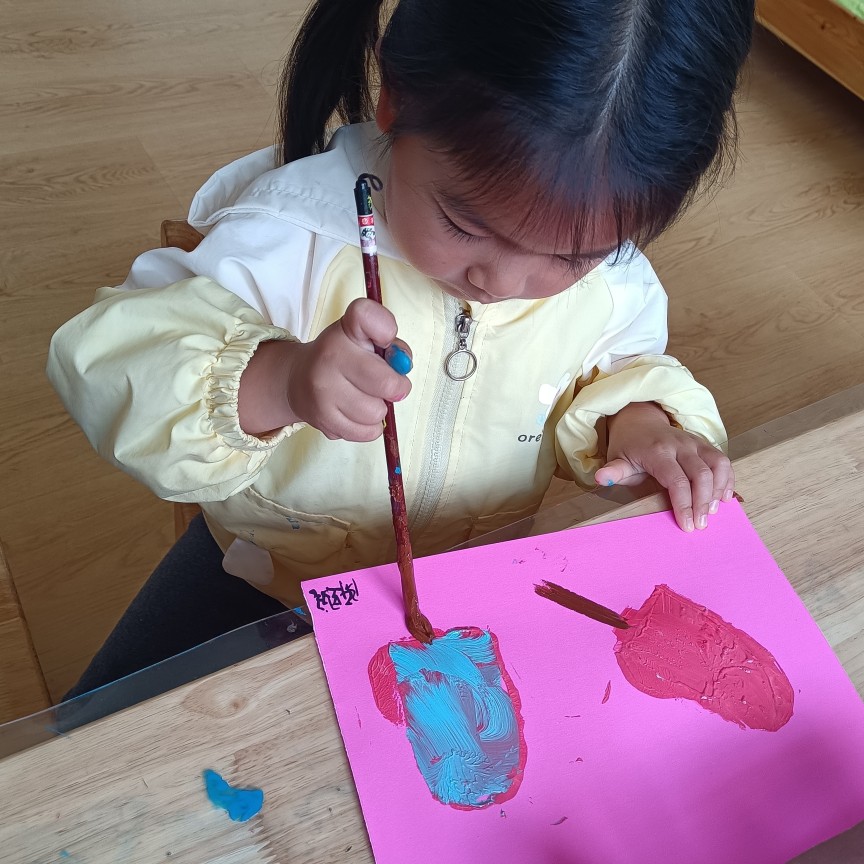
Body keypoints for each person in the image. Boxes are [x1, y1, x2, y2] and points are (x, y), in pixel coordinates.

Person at [48, 0, 754, 698]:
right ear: (397, 99)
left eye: (572, 259)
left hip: (476, 589)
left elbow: (618, 364)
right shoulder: (290, 235)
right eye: (464, 224)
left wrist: (639, 422)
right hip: (272, 579)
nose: (502, 284)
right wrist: (280, 379)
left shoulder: (613, 281)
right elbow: (116, 363)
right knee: (90, 736)